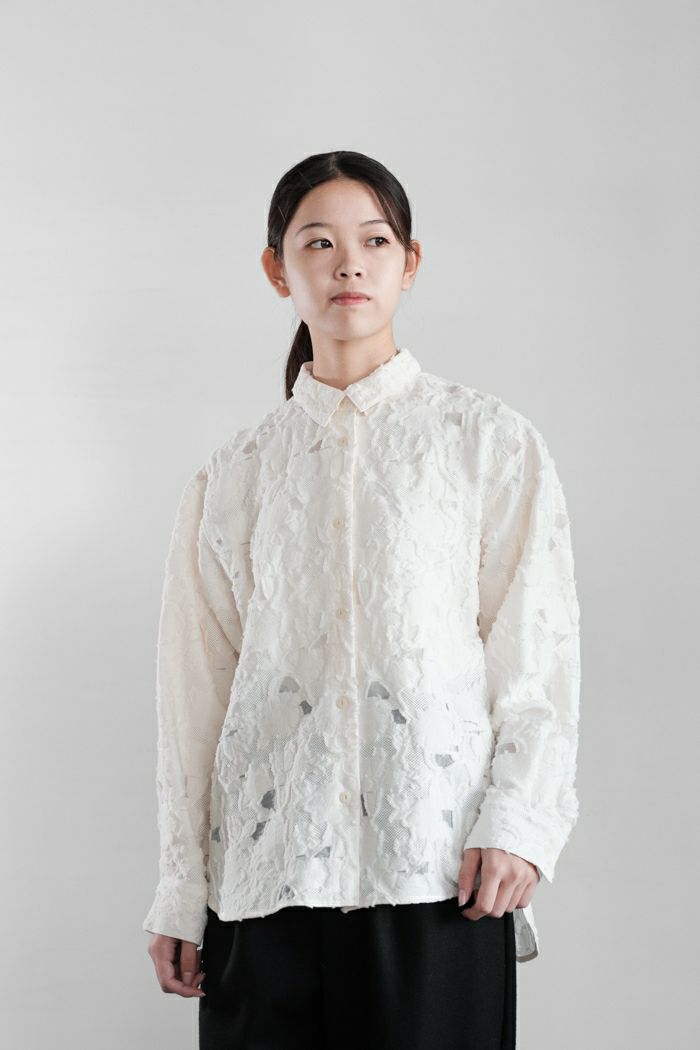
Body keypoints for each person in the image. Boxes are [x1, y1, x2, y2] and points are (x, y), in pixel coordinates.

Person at [143, 150, 581, 1049]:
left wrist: (519, 823)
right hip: (265, 889)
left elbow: (536, 654)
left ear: (409, 263)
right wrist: (182, 887)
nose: (349, 263)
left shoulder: (487, 444)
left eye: (375, 241)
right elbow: (194, 699)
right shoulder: (234, 477)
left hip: (439, 878)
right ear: (278, 271)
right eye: (318, 243)